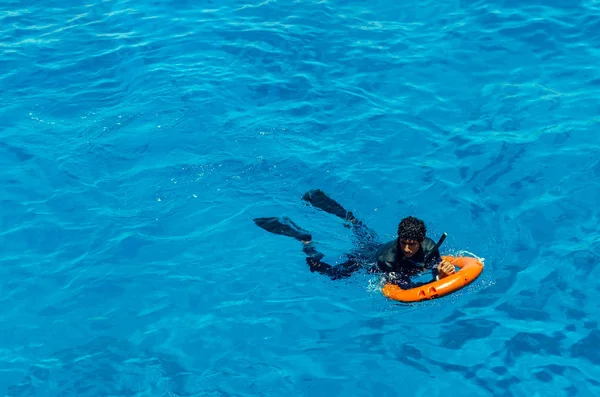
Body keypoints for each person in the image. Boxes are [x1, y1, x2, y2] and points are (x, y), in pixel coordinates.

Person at [254, 189, 456, 287]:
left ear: (421, 241)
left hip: (377, 246)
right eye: (403, 243)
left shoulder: (430, 247)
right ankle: (305, 240)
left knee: (361, 230)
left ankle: (350, 219)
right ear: (399, 239)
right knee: (330, 273)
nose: (408, 248)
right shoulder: (387, 260)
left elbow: (434, 263)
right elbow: (406, 286)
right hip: (368, 259)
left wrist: (441, 269)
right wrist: (437, 278)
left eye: (412, 244)